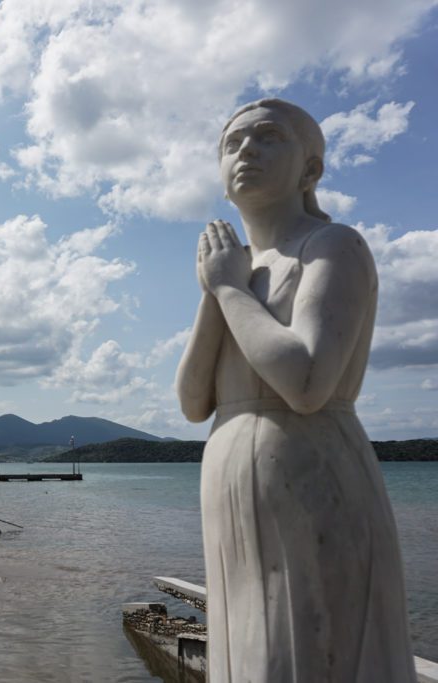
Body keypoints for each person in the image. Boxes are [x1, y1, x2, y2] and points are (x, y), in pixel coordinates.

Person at [176, 99, 415, 681]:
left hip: (311, 474)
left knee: (310, 648)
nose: (246, 151)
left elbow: (307, 382)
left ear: (311, 169)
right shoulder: (234, 267)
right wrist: (218, 289)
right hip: (234, 482)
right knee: (251, 650)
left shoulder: (332, 246)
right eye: (232, 144)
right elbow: (192, 402)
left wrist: (231, 292)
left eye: (267, 137)